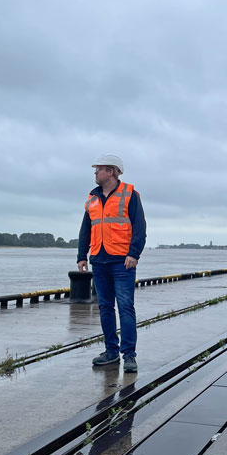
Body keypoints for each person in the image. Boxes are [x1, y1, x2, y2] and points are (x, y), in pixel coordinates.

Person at [77, 154, 146, 373]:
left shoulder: (130, 195)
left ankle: (129, 355)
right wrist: (81, 256)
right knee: (105, 308)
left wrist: (134, 253)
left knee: (126, 308)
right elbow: (86, 229)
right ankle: (111, 352)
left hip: (122, 262)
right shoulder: (93, 198)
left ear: (111, 172)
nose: (95, 173)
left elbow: (139, 227)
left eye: (99, 169)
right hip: (99, 260)